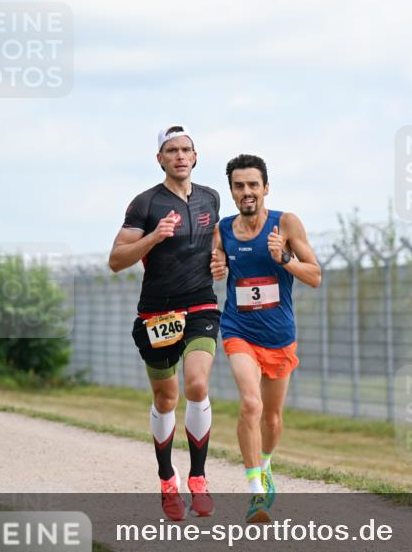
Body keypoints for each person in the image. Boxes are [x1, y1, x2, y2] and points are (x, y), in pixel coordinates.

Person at [108, 125, 227, 521]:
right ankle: (166, 480)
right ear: (159, 158)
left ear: (195, 157)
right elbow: (116, 260)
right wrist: (154, 237)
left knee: (197, 384)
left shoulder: (211, 197)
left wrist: (219, 259)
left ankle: (198, 478)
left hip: (201, 306)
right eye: (171, 150)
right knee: (166, 399)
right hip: (157, 311)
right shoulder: (145, 204)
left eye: (186, 149)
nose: (179, 156)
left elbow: (213, 241)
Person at [216, 154, 321, 523]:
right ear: (231, 191)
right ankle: (255, 493)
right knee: (250, 404)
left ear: (265, 189)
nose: (247, 192)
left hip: (278, 335)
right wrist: (213, 268)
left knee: (273, 418)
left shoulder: (286, 223)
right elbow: (211, 269)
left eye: (253, 185)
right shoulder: (222, 230)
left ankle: (266, 465)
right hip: (238, 329)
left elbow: (315, 275)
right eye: (239, 186)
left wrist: (284, 259)